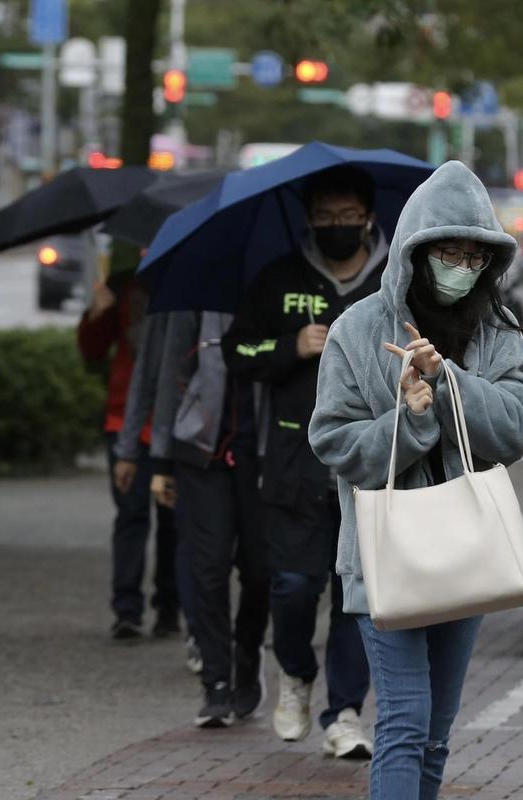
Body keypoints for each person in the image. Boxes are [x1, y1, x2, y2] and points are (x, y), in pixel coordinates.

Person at [308, 160, 523, 799]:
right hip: (386, 555)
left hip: (466, 554)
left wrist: (447, 384)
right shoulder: (357, 331)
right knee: (405, 722)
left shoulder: (497, 332)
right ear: (416, 250)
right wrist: (409, 421)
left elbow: (521, 425)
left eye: (475, 255)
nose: (460, 266)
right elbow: (332, 441)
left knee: (437, 731)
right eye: (448, 251)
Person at [222, 167, 381, 759]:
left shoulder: (393, 281)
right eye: (325, 217)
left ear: (368, 217)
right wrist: (292, 346)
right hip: (292, 461)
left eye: (347, 217)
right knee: (291, 586)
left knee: (354, 594)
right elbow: (238, 349)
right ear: (309, 219)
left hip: (367, 463)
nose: (336, 228)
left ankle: (343, 712)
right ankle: (293, 671)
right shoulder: (281, 279)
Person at [121, 310, 270, 728]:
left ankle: (246, 654)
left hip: (263, 450)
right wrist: (160, 460)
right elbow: (168, 373)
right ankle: (216, 682)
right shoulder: (193, 293)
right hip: (201, 452)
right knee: (208, 565)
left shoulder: (276, 280)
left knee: (261, 570)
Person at [76, 273, 180, 641]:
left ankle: (170, 606)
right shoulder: (121, 287)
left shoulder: (189, 282)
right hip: (125, 422)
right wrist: (97, 313)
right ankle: (127, 609)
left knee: (174, 520)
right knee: (132, 514)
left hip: (177, 421)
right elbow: (91, 351)